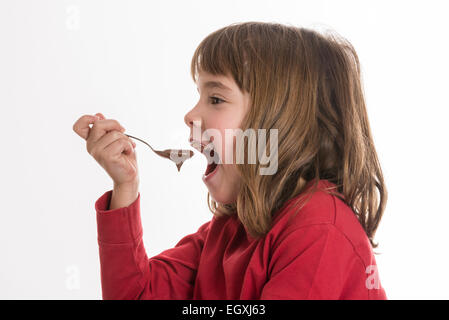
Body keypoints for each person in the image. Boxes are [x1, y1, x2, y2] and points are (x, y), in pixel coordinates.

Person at [73, 22, 387, 299]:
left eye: (216, 99)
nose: (190, 115)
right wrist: (125, 186)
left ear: (277, 123)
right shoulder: (227, 230)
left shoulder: (319, 228)